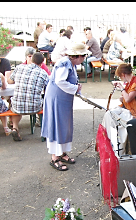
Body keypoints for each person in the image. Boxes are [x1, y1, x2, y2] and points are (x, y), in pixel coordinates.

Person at [41, 43, 86, 171]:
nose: (84, 58)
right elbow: (60, 81)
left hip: (63, 98)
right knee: (57, 125)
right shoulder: (65, 63)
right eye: (83, 56)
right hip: (57, 98)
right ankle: (54, 157)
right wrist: (75, 88)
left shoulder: (70, 64)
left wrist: (76, 89)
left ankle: (62, 152)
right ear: (78, 56)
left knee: (64, 125)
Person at [101, 63, 136, 155]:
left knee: (113, 118)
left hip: (135, 111)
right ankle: (109, 142)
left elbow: (128, 98)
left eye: (120, 77)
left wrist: (121, 89)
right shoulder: (130, 82)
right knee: (108, 114)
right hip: (127, 108)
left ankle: (118, 148)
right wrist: (122, 96)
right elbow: (125, 98)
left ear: (123, 75)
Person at [7, 52, 49, 141]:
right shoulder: (43, 73)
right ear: (42, 63)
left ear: (31, 59)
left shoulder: (19, 68)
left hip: (17, 106)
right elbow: (48, 90)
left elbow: (10, 81)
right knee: (44, 104)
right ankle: (44, 132)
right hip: (35, 107)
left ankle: (15, 128)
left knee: (15, 103)